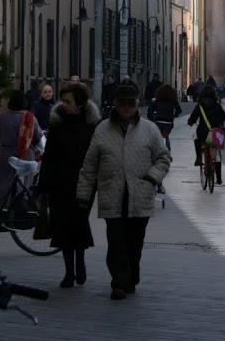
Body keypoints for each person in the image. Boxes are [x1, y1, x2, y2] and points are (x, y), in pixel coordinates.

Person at [76, 82, 171, 301]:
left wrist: (152, 178)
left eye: (131, 103)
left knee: (135, 243)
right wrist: (83, 194)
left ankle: (131, 277)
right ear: (116, 105)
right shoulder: (102, 130)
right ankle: (118, 282)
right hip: (112, 194)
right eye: (123, 104)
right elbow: (90, 166)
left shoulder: (149, 129)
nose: (127, 108)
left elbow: (163, 157)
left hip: (140, 195)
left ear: (137, 104)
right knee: (116, 242)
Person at [37, 82, 100, 288]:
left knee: (79, 223)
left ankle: (80, 264)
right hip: (60, 183)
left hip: (83, 183)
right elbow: (49, 157)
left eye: (68, 101)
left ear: (80, 103)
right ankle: (68, 272)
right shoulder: (57, 124)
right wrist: (43, 185)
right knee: (62, 226)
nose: (64, 105)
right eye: (62, 101)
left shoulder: (92, 126)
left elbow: (97, 156)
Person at [0, 90, 43, 206]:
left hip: (5, 154)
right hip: (25, 155)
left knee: (4, 183)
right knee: (24, 183)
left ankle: (4, 207)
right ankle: (21, 207)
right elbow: (36, 137)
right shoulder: (30, 118)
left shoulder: (2, 118)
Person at [187, 85, 225, 184]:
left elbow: (192, 118)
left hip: (203, 132)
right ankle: (218, 178)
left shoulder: (200, 106)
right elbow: (223, 117)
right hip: (215, 133)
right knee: (217, 155)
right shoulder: (217, 105)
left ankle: (199, 158)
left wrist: (191, 122)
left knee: (196, 138)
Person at [147, 83, 182, 152]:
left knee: (158, 135)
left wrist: (152, 119)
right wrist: (174, 115)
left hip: (158, 121)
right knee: (166, 135)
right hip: (169, 122)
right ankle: (168, 149)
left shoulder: (157, 101)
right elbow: (179, 110)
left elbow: (150, 112)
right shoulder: (173, 101)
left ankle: (158, 149)